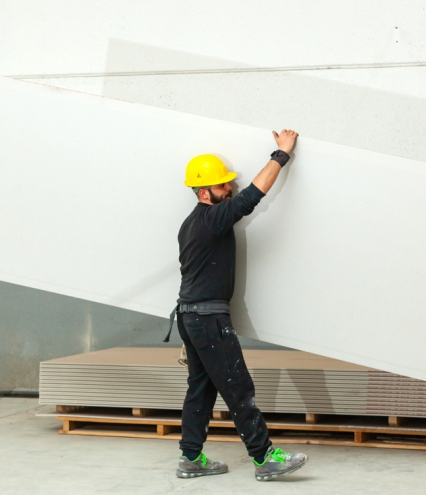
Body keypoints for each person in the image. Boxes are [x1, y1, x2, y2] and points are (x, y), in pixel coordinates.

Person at [173, 129, 308, 481]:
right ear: (204, 192)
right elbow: (252, 197)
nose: (229, 189)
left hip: (190, 317)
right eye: (222, 187)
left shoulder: (190, 225)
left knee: (200, 388)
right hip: (208, 319)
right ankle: (265, 459)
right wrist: (281, 154)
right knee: (237, 386)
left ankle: (191, 458)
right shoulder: (211, 219)